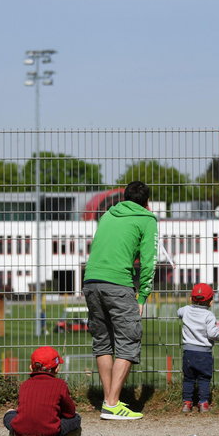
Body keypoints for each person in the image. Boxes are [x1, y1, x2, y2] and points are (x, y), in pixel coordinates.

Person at [83, 180, 157, 420]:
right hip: (118, 283)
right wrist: (142, 296)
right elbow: (148, 262)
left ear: (124, 198)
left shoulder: (107, 215)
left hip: (91, 280)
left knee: (102, 341)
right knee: (128, 338)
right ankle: (113, 404)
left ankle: (108, 400)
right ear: (147, 202)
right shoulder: (147, 219)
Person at [3, 346, 82, 436]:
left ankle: (16, 435)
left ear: (31, 368)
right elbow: (69, 413)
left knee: (9, 414)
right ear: (57, 369)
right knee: (76, 418)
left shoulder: (25, 385)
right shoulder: (60, 385)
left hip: (22, 431)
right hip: (51, 433)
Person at [179, 283, 219, 413]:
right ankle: (203, 403)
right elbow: (212, 334)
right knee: (204, 379)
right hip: (204, 353)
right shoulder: (209, 316)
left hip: (188, 352)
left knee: (188, 379)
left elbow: (179, 312)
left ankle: (187, 403)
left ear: (191, 298)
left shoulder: (185, 310)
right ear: (211, 302)